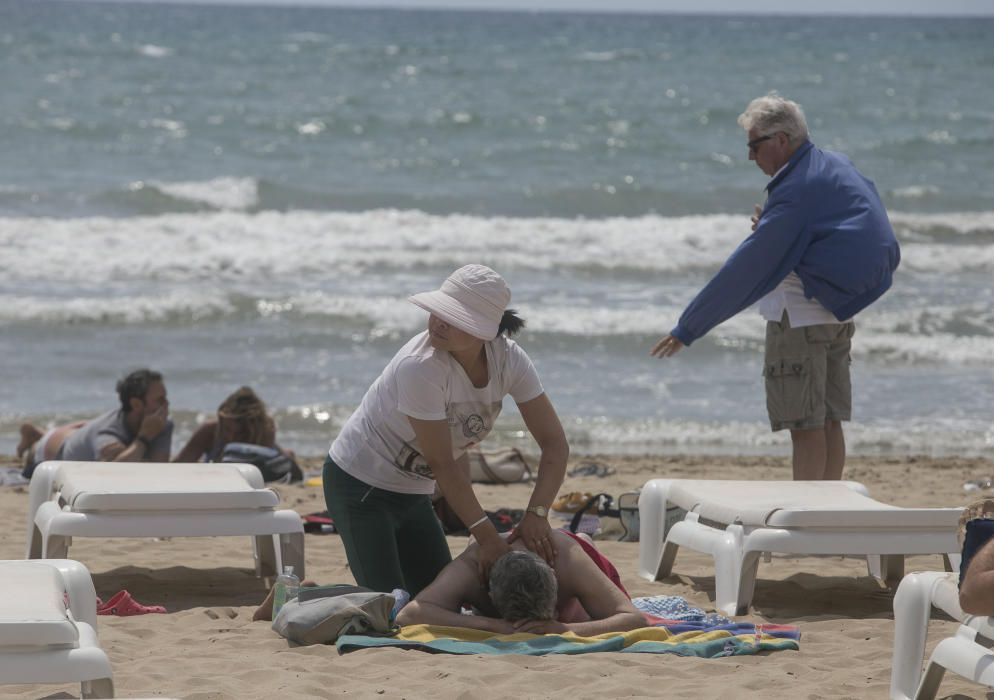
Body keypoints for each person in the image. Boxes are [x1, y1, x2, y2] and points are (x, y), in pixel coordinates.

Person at [651, 92, 900, 481]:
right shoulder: (835, 164)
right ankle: (825, 520)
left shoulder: (795, 191)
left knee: (805, 427)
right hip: (836, 310)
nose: (751, 157)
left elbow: (745, 271)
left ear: (781, 141)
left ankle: (807, 524)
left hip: (797, 316)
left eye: (754, 145)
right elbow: (833, 224)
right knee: (830, 422)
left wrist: (689, 327)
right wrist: (774, 228)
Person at [324, 264, 569, 598]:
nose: (438, 321)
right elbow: (442, 462)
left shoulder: (510, 361)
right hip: (360, 484)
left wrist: (537, 514)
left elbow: (555, 444)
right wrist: (486, 536)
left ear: (485, 330)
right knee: (386, 607)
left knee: (444, 602)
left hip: (414, 491)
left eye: (453, 317)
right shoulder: (421, 366)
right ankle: (295, 596)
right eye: (438, 310)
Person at [395, 529, 645, 636]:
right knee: (475, 540)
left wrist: (564, 629)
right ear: (488, 593)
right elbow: (408, 615)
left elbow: (634, 618)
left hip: (568, 549)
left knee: (582, 541)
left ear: (553, 576)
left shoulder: (568, 559)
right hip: (490, 567)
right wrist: (492, 625)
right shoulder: (470, 569)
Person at [19, 368, 172, 478]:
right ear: (137, 404)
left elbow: (158, 471)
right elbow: (113, 475)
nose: (167, 404)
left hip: (85, 433)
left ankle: (38, 431)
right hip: (56, 450)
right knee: (36, 451)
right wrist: (144, 438)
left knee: (87, 430)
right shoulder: (107, 433)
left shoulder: (161, 425)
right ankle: (34, 437)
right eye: (160, 400)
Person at [173, 385, 294, 463]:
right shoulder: (210, 431)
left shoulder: (264, 430)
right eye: (226, 429)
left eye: (239, 433)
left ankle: (287, 452)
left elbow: (264, 469)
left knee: (285, 457)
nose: (231, 437)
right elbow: (179, 464)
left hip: (269, 450)